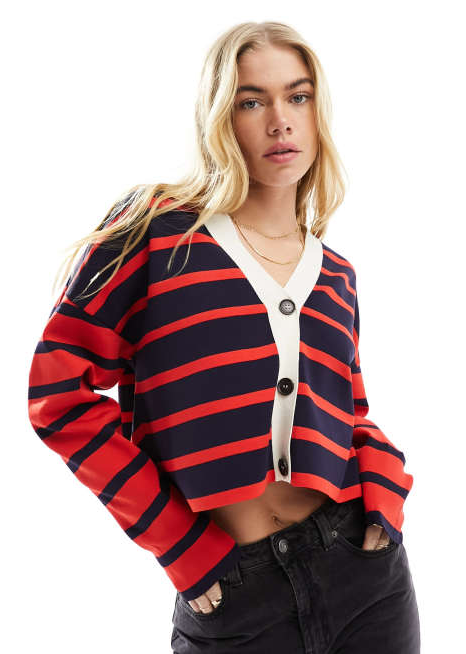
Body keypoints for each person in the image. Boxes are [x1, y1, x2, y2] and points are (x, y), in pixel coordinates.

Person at [27, 21, 420, 653]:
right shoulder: (154, 232)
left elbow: (350, 414)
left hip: (366, 577)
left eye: (298, 96)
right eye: (251, 101)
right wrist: (178, 543)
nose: (280, 121)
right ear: (219, 118)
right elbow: (57, 396)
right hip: (231, 592)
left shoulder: (336, 275)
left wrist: (386, 485)